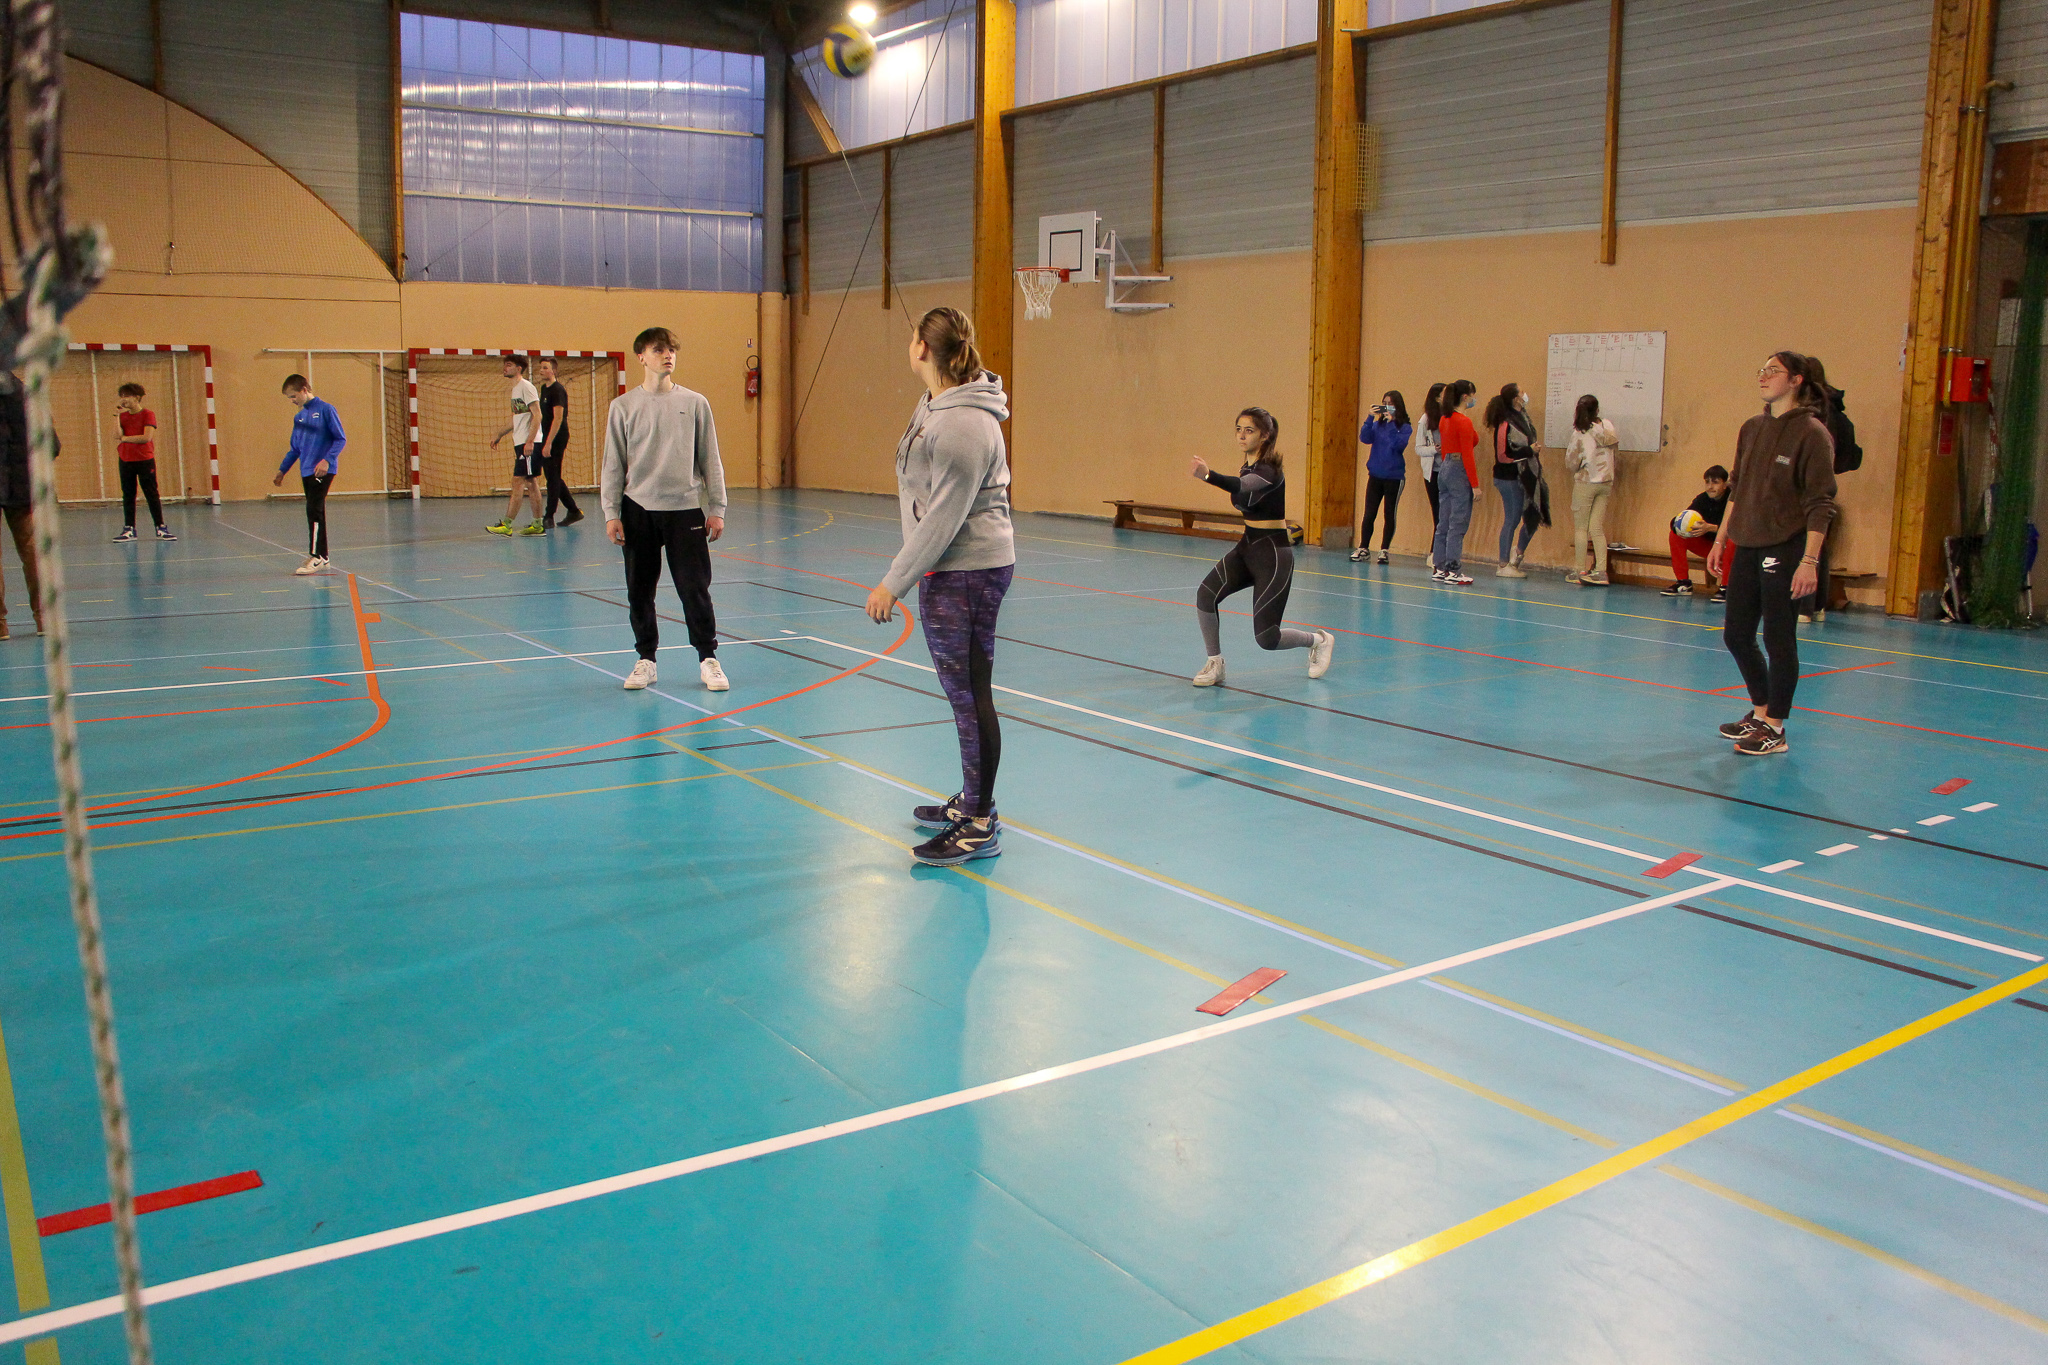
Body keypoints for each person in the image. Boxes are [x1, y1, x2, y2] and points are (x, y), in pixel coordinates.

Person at [863, 307, 1017, 868]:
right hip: (949, 568)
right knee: (964, 696)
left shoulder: (963, 426)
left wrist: (892, 583)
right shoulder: (935, 404)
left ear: (924, 348)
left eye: (912, 337)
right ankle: (974, 800)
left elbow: (943, 519)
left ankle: (980, 822)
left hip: (968, 570)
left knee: (971, 696)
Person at [1707, 352, 1837, 756]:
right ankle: (1761, 711)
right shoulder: (1752, 428)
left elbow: (1821, 503)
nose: (1763, 376)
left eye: (1773, 371)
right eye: (1760, 369)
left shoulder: (1812, 434)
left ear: (1796, 380)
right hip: (1746, 543)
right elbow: (1738, 487)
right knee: (1736, 635)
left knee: (1779, 638)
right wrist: (1720, 539)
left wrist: (1810, 561)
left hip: (1786, 546)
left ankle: (1776, 728)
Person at [604, 327, 729, 694]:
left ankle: (709, 659)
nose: (668, 355)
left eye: (672, 349)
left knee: (694, 589)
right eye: (659, 350)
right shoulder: (623, 407)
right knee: (639, 591)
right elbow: (613, 464)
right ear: (641, 356)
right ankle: (646, 660)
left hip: (685, 510)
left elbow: (711, 459)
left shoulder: (695, 403)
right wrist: (612, 512)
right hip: (637, 510)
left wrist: (716, 506)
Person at [1187, 408, 1335, 686]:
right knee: (1206, 595)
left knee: (1267, 638)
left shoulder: (1269, 471)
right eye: (1238, 429)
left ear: (1265, 435)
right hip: (1247, 547)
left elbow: (1241, 486)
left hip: (1273, 555)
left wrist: (1208, 476)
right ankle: (1215, 662)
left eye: (1249, 430)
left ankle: (1319, 641)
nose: (1242, 435)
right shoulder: (1249, 465)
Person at [1794, 355, 1861, 623]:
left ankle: (1803, 606)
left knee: (1804, 544)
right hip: (1827, 481)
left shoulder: (1812, 411)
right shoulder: (1835, 406)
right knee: (1819, 543)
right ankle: (1818, 605)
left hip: (1806, 482)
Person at [271, 375, 345, 575]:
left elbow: (340, 439)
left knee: (314, 510)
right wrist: (282, 470)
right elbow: (295, 448)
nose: (292, 401)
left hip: (322, 470)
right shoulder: (299, 417)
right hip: (306, 470)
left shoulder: (326, 410)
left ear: (304, 389)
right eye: (289, 398)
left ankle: (317, 556)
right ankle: (324, 556)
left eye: (293, 396)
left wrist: (327, 460)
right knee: (315, 510)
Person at [0, 373, 51, 640]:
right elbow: (51, 443)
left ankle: (0, 625)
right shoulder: (26, 392)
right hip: (22, 486)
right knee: (32, 550)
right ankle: (43, 618)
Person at [1484, 382, 1539, 577]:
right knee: (1512, 518)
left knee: (1533, 517)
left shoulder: (1523, 417)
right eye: (1522, 392)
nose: (1525, 395)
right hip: (1507, 478)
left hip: (1525, 475)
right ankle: (1503, 563)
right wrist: (1528, 451)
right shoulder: (1505, 422)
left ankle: (1518, 554)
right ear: (1516, 398)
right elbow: (1502, 455)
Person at [1563, 393, 1618, 586]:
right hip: (1606, 482)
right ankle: (1600, 571)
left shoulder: (1579, 433)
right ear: (1597, 410)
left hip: (1586, 482)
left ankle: (1579, 570)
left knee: (1581, 528)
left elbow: (1571, 462)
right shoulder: (1608, 426)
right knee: (1597, 527)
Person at [487, 354, 546, 536]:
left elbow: (538, 415)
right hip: (520, 442)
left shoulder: (526, 387)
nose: (505, 368)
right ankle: (537, 525)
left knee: (518, 481)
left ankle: (507, 524)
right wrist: (500, 434)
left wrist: (530, 441)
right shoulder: (515, 390)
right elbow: (518, 419)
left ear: (519, 368)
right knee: (531, 482)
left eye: (509, 365)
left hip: (529, 443)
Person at [1352, 390, 1411, 564]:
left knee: (1389, 513)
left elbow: (1398, 446)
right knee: (1369, 513)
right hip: (1375, 475)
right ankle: (1364, 547)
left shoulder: (1405, 427)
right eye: (1384, 403)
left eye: (1391, 404)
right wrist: (1370, 418)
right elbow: (1365, 438)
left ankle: (1384, 549)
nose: (1387, 407)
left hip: (1394, 477)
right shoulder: (1378, 425)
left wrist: (1393, 424)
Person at [1430, 380, 1479, 585]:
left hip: (1445, 467)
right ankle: (1453, 570)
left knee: (1444, 520)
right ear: (1465, 397)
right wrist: (1475, 485)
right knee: (1458, 521)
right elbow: (1468, 452)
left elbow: (1472, 439)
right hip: (1458, 469)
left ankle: (1439, 566)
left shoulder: (1445, 419)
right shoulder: (1463, 421)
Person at [111, 382, 174, 543]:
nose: (124, 399)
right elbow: (116, 435)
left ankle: (160, 527)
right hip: (125, 459)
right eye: (122, 396)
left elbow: (146, 437)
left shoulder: (148, 414)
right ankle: (129, 529)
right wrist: (116, 417)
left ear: (137, 397)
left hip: (145, 459)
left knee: (151, 493)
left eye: (127, 396)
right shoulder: (123, 416)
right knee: (128, 494)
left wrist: (125, 439)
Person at [1662, 465, 1730, 601]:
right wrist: (1680, 523)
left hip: (1729, 548)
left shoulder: (1732, 499)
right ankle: (1683, 582)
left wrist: (1711, 528)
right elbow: (1679, 521)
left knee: (1733, 542)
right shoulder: (1702, 499)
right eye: (1707, 482)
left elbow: (1738, 528)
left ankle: (1726, 588)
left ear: (1725, 485)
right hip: (1709, 548)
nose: (1710, 487)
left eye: (1715, 482)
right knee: (1676, 535)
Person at [535, 356, 584, 529]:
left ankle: (549, 516)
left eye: (545, 368)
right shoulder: (544, 389)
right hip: (546, 436)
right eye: (541, 368)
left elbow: (558, 419)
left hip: (557, 437)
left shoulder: (558, 390)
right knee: (553, 475)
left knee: (552, 476)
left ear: (554, 371)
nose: (541, 370)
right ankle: (573, 510)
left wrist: (548, 442)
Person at [1416, 381, 1446, 563]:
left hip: (1449, 472)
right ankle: (1434, 553)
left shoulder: (1450, 417)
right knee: (1439, 514)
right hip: (1433, 474)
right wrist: (1435, 449)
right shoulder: (1425, 420)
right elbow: (1419, 448)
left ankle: (1442, 553)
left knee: (1447, 514)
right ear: (1436, 398)